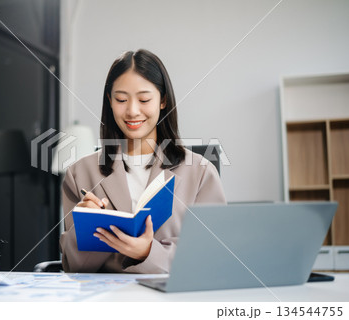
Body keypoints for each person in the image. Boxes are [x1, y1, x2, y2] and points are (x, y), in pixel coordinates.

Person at [60, 49, 226, 273]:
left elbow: (213, 256)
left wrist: (148, 253)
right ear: (110, 101)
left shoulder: (201, 172)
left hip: (174, 299)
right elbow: (73, 268)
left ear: (163, 100)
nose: (132, 111)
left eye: (144, 99)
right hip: (107, 301)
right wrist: (85, 230)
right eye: (121, 100)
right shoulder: (79, 173)